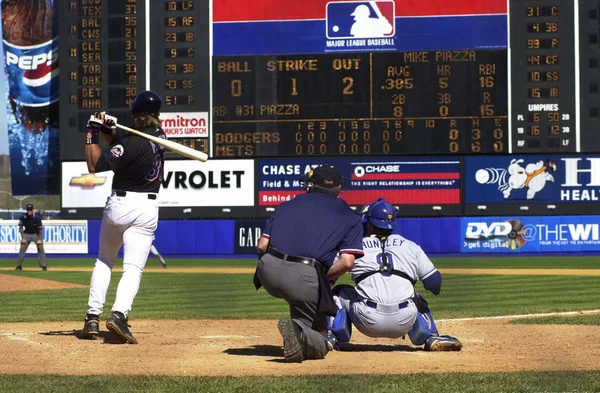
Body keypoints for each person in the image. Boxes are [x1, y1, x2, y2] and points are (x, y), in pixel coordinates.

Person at [80, 90, 166, 344]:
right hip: (148, 208)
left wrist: (92, 132)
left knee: (105, 260)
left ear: (136, 115)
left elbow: (94, 165)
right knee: (133, 268)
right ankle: (119, 315)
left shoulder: (128, 143)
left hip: (120, 204)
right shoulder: (160, 137)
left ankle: (92, 316)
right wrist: (110, 129)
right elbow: (121, 142)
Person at [254, 164, 364, 362]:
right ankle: (299, 330)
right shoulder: (350, 216)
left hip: (267, 270)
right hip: (304, 277)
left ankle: (298, 326)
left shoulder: (285, 205)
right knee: (321, 340)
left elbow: (262, 246)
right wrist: (322, 277)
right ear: (339, 188)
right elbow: (347, 262)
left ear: (310, 185)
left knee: (301, 300)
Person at [329, 198, 463, 351]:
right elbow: (434, 284)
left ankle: (330, 335)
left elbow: (330, 276)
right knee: (414, 295)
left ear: (369, 223)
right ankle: (431, 336)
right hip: (404, 320)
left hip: (367, 320)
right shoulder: (410, 246)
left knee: (338, 291)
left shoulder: (355, 245)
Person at [15, 203, 47, 271]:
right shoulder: (23, 217)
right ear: (26, 210)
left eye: (30, 210)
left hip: (35, 234)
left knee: (40, 247)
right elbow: (21, 228)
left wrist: (40, 239)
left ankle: (43, 265)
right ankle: (19, 265)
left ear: (33, 210)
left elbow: (40, 229)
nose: (29, 211)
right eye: (28, 210)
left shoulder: (37, 217)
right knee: (22, 248)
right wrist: (23, 238)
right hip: (26, 233)